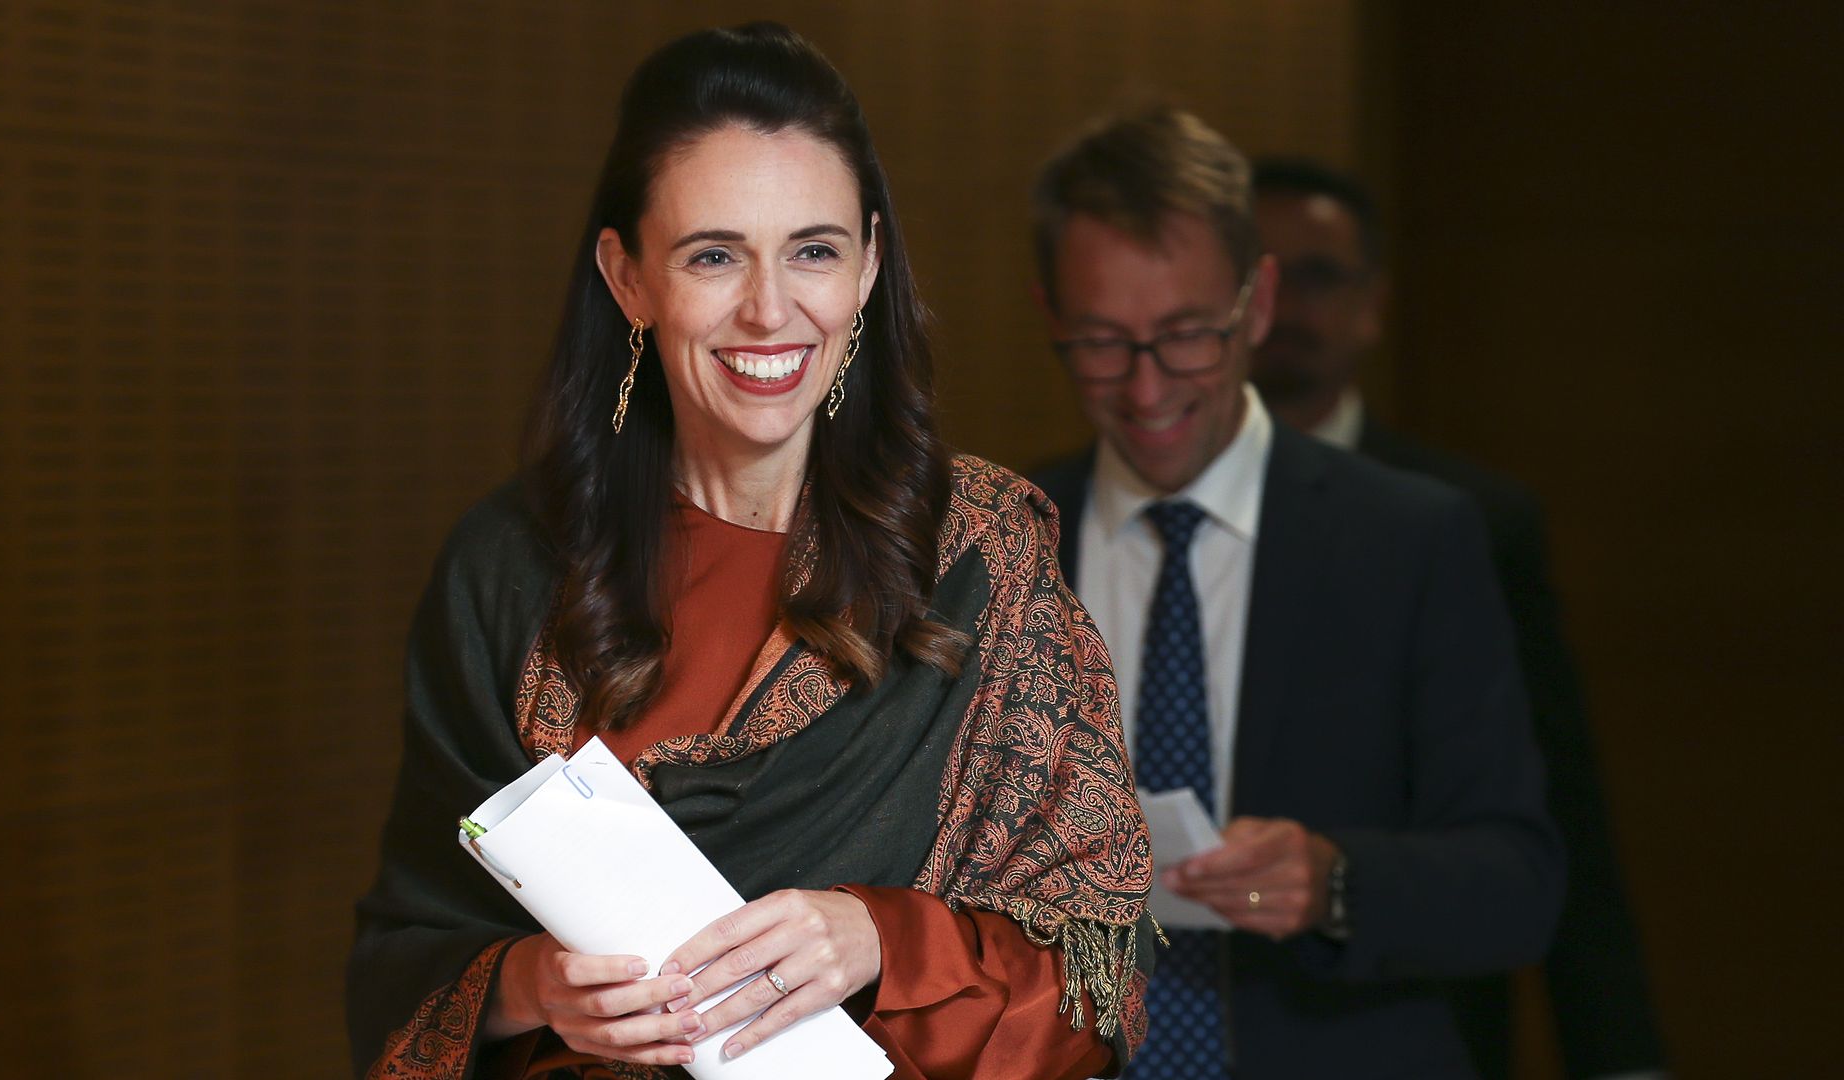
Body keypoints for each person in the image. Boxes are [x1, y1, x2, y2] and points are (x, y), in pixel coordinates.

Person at [347, 24, 1154, 1080]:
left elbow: (1094, 978)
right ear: (628, 276)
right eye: (714, 255)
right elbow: (405, 959)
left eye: (812, 250)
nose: (771, 310)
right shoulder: (511, 568)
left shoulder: (978, 554)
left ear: (868, 266)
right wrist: (530, 986)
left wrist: (878, 941)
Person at [1026, 106, 1564, 1079]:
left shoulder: (1412, 540)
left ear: (1258, 303)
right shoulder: (995, 544)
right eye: (1103, 343)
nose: (1146, 391)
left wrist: (1335, 883)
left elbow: (1521, 883)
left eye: (1188, 335)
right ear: (1052, 318)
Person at [1251, 156, 1667, 1080]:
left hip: (1410, 1018)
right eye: (1263, 276)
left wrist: (1621, 1058)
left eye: (1319, 277)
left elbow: (1556, 813)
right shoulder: (1068, 511)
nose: (1288, 308)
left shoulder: (1463, 520)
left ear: (1372, 303)